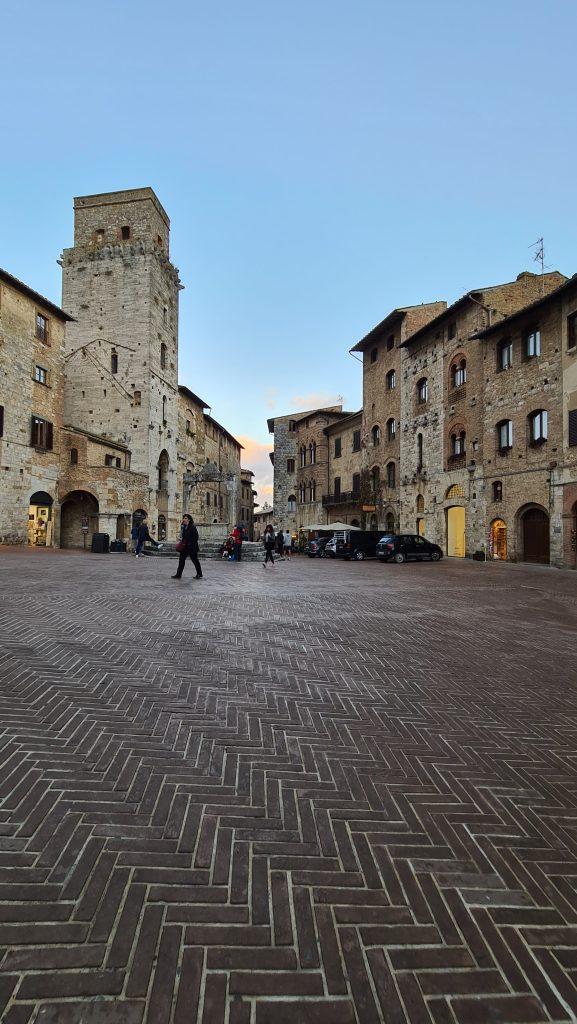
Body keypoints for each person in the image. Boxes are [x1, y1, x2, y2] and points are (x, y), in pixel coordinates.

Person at [171, 514, 203, 579]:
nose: (184, 519)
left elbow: (196, 537)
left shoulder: (192, 527)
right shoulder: (184, 527)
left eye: (185, 518)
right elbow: (185, 537)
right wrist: (181, 540)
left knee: (195, 561)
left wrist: (190, 543)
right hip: (185, 547)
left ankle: (199, 574)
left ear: (189, 519)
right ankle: (178, 574)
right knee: (181, 560)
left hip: (192, 547)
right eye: (183, 518)